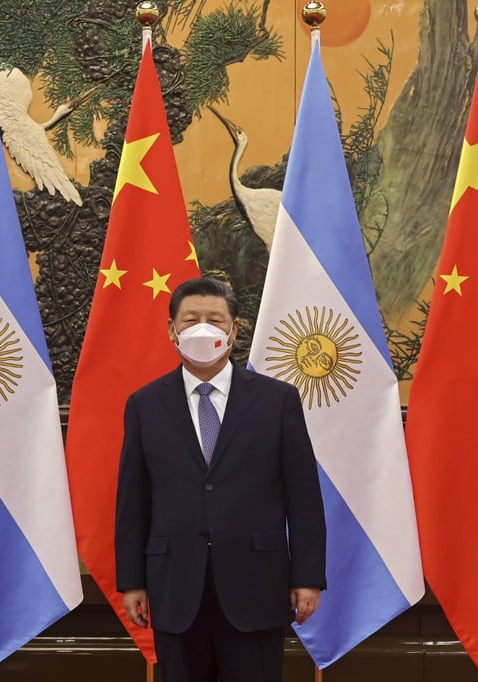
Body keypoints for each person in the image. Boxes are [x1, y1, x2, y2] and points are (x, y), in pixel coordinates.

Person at [115, 277, 326, 682]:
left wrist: (307, 577)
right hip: (175, 586)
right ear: (171, 330)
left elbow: (303, 496)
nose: (202, 328)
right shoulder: (144, 405)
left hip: (256, 584)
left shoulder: (277, 400)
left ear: (234, 329)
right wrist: (132, 582)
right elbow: (133, 502)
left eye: (215, 319)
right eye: (190, 319)